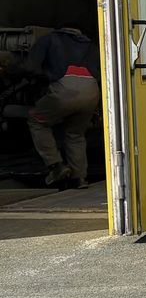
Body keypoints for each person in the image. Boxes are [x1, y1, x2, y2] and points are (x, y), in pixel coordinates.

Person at [22, 26, 100, 189]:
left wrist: (9, 70)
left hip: (64, 91)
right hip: (92, 92)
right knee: (76, 134)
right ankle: (79, 179)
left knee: (36, 121)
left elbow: (29, 67)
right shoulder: (91, 46)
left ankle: (55, 166)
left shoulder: (49, 39)